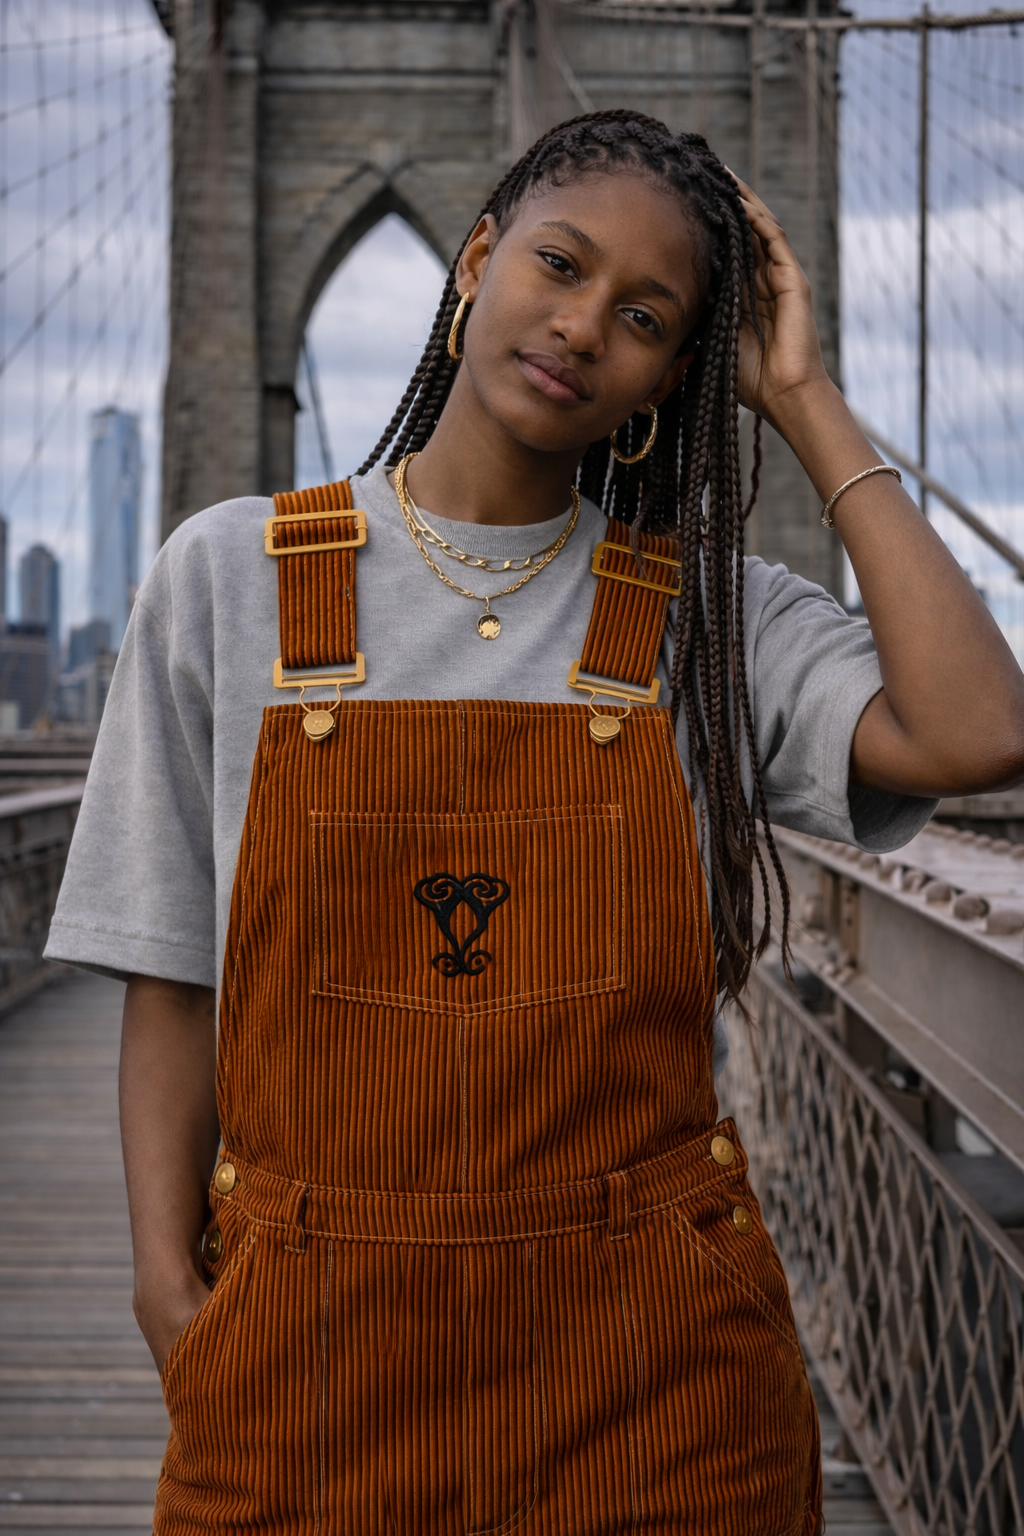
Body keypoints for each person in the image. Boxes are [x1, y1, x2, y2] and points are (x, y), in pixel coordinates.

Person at [46, 111, 1024, 1535]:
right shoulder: (228, 578)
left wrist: (805, 399)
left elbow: (977, 729)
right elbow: (171, 972)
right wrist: (162, 1278)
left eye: (644, 316)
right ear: (477, 258)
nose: (580, 325)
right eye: (558, 265)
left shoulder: (707, 615)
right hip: (305, 1359)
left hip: (656, 1379)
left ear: (675, 375)